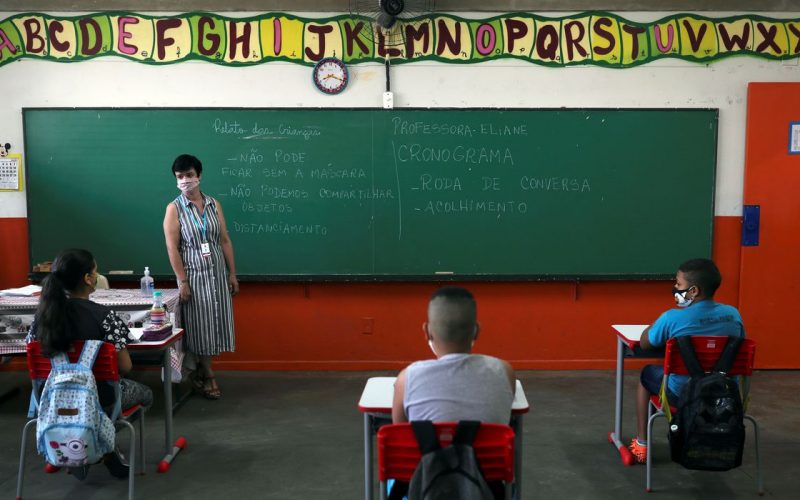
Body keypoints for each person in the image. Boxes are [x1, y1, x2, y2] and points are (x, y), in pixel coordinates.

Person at [29, 248, 153, 478]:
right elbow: (125, 367)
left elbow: (34, 353)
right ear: (88, 279)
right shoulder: (105, 316)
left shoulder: (42, 317)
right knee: (146, 395)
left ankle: (77, 449)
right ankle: (103, 447)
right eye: (95, 272)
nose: (97, 276)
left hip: (51, 400)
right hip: (99, 398)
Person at [628, 258, 745, 464]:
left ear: (694, 291)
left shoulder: (672, 318)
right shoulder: (733, 315)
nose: (675, 288)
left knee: (647, 374)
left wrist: (656, 323)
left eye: (679, 285)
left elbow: (645, 343)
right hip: (725, 394)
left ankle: (642, 443)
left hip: (681, 394)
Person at [163, 153, 238, 400]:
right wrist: (182, 280)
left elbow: (224, 240)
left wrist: (232, 274)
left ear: (199, 176)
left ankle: (200, 372)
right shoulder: (174, 209)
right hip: (193, 277)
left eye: (189, 175)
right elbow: (172, 248)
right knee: (200, 329)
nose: (185, 180)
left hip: (217, 275)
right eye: (180, 177)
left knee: (215, 326)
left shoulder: (214, 204)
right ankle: (208, 375)